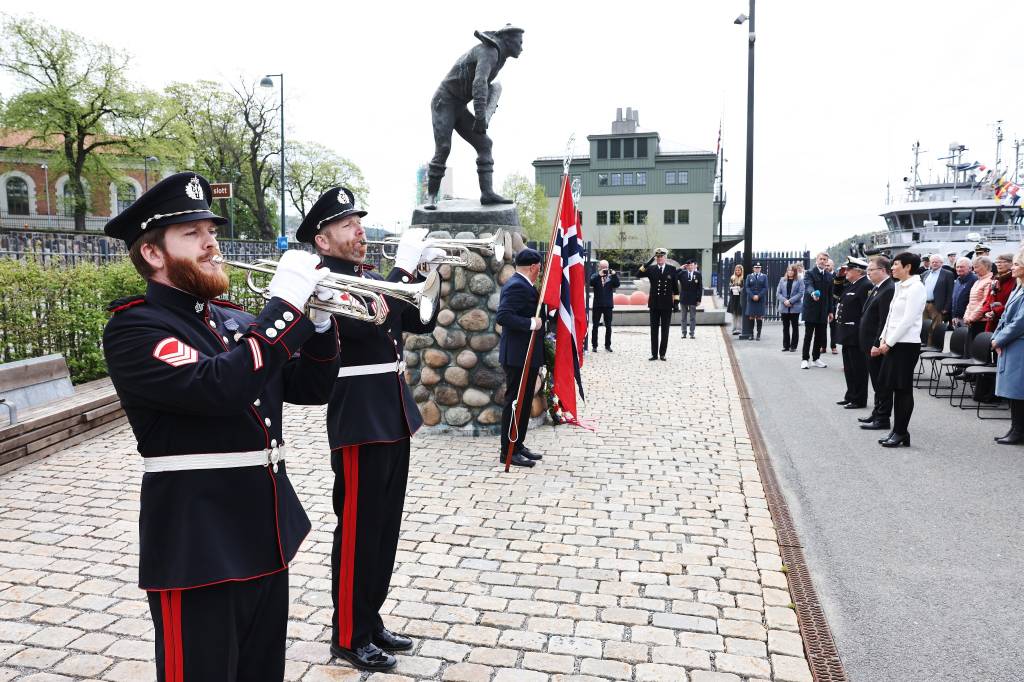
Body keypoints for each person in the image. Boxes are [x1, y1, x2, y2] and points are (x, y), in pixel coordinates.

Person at [102, 173, 341, 681]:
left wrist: (318, 323)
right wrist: (282, 309)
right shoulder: (135, 327)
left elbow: (310, 388)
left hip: (265, 530)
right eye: (192, 233)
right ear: (153, 254)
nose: (212, 243)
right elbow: (221, 386)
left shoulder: (229, 320)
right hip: (197, 542)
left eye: (210, 230)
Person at [295, 187, 439, 672]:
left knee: (384, 529)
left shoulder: (366, 278)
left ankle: (370, 618)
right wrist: (401, 272)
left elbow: (416, 320)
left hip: (392, 412)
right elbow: (369, 322)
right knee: (357, 532)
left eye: (360, 221)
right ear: (323, 239)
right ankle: (347, 635)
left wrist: (423, 273)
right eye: (348, 224)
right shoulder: (325, 282)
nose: (359, 231)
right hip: (358, 417)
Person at [426, 25, 523, 208]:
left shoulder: (499, 56)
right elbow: (479, 83)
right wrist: (480, 116)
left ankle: (487, 193)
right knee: (444, 148)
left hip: (459, 105)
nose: (522, 47)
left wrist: (484, 115)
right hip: (444, 102)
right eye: (520, 42)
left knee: (485, 144)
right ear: (509, 40)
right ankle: (431, 197)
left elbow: (489, 86)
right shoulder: (490, 52)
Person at [497, 247, 546, 466]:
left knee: (524, 403)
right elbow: (504, 316)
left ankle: (517, 443)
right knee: (515, 402)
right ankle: (507, 451)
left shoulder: (523, 284)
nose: (540, 271)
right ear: (534, 267)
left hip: (525, 354)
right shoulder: (517, 285)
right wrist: (530, 323)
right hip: (518, 356)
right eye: (540, 267)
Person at [874, 251, 927, 448]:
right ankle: (897, 431)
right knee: (895, 387)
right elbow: (891, 317)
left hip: (906, 344)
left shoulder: (916, 287)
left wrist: (890, 342)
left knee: (903, 389)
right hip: (894, 342)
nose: (893, 268)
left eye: (896, 264)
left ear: (908, 267)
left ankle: (901, 432)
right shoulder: (900, 286)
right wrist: (883, 338)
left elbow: (908, 320)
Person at [858, 256, 896, 431]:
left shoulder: (888, 289)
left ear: (882, 270)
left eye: (871, 270)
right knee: (876, 381)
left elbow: (883, 321)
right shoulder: (878, 287)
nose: (868, 273)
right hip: (867, 343)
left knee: (881, 383)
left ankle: (882, 418)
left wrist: (876, 343)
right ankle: (877, 412)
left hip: (876, 345)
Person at [991, 250, 1024, 445]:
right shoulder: (1018, 288)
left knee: (1018, 389)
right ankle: (1015, 428)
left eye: (1017, 265)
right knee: (1013, 390)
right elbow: (1004, 317)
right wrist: (996, 337)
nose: (1013, 267)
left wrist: (999, 339)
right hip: (1011, 344)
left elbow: (1020, 322)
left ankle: (1018, 430)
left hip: (1019, 345)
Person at [834, 258, 872, 409]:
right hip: (847, 334)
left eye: (849, 270)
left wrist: (863, 333)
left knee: (859, 369)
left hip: (856, 334)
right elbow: (836, 295)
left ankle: (859, 399)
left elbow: (866, 312)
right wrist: (839, 278)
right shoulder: (853, 284)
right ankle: (850, 395)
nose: (846, 272)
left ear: (858, 271)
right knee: (849, 368)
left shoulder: (866, 286)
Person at [637, 247, 678, 359]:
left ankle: (662, 354)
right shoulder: (651, 269)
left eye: (661, 256)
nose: (660, 258)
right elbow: (638, 274)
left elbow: (675, 288)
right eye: (658, 257)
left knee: (665, 330)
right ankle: (654, 354)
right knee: (654, 330)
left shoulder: (672, 269)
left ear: (665, 257)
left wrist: (676, 303)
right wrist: (649, 262)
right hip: (654, 304)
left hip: (666, 305)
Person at [801, 252, 834, 369]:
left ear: (827, 262)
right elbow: (808, 286)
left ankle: (816, 358)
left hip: (823, 311)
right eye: (821, 259)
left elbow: (830, 295)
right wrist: (813, 293)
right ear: (816, 260)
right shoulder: (809, 273)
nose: (822, 261)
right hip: (811, 309)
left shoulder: (829, 276)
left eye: (825, 259)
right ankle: (805, 359)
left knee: (819, 336)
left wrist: (831, 311)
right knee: (808, 335)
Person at [920, 254, 955, 347]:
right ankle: (926, 346)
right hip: (924, 305)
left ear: (941, 263)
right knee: (925, 328)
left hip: (937, 305)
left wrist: (946, 307)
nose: (934, 264)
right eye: (932, 262)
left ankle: (935, 347)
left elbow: (950, 292)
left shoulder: (948, 274)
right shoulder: (925, 274)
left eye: (936, 262)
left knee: (935, 329)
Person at [589, 260, 619, 352]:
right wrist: (599, 275)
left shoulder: (611, 276)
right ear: (599, 267)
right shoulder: (595, 275)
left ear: (608, 267)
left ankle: (607, 345)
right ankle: (594, 346)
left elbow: (617, 284)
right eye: (602, 267)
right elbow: (590, 283)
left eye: (606, 267)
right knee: (595, 326)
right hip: (597, 305)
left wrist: (614, 274)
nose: (604, 269)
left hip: (608, 305)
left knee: (608, 326)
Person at [982, 253, 1016, 332]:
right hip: (992, 321)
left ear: (1012, 263)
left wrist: (995, 312)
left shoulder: (1015, 280)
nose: (999, 264)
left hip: (1006, 321)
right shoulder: (995, 279)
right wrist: (986, 311)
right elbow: (988, 299)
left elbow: (1013, 303)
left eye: (1003, 262)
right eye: (997, 262)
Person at [964, 255, 994, 337]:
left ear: (986, 266)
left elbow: (984, 302)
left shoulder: (989, 282)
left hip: (981, 322)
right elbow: (971, 302)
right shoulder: (977, 281)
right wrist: (967, 316)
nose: (974, 270)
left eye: (977, 267)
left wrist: (971, 318)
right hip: (973, 320)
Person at [776, 264, 804, 351]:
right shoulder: (782, 280)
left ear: (795, 271)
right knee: (785, 327)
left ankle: (793, 346)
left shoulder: (799, 280)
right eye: (789, 270)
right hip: (784, 307)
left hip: (795, 307)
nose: (790, 272)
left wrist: (790, 301)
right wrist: (785, 301)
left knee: (795, 327)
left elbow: (800, 293)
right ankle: (786, 346)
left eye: (792, 270)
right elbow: (778, 293)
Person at [676, 259, 703, 339]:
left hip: (693, 298)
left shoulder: (697, 274)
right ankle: (684, 333)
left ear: (694, 266)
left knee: (692, 317)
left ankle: (692, 333)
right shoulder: (682, 273)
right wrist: (680, 268)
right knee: (683, 317)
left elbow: (700, 287)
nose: (690, 267)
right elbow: (674, 275)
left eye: (692, 265)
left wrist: (699, 299)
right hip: (683, 298)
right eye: (689, 265)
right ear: (686, 266)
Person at [950, 256, 978, 328]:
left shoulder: (975, 280)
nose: (959, 269)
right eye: (957, 267)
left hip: (968, 319)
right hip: (957, 319)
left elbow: (975, 301)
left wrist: (969, 317)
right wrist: (954, 316)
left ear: (970, 268)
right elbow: (954, 300)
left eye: (962, 267)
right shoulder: (958, 280)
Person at [743, 262, 768, 340]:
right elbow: (747, 287)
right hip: (751, 299)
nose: (757, 269)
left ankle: (758, 334)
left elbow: (765, 287)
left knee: (759, 317)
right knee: (751, 317)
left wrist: (758, 296)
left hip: (760, 299)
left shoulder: (764, 276)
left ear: (760, 268)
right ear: (753, 268)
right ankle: (751, 334)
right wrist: (752, 295)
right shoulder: (749, 276)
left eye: (759, 267)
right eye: (756, 267)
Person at [825, 259, 841, 354]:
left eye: (828, 265)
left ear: (833, 266)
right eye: (826, 265)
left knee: (833, 327)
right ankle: (823, 346)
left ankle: (833, 346)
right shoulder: (822, 275)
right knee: (822, 327)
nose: (827, 267)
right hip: (823, 304)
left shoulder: (838, 277)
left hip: (834, 304)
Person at [727, 264, 744, 334]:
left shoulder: (743, 278)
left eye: (739, 270)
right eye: (736, 270)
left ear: (741, 271)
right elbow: (730, 286)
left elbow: (744, 288)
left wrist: (740, 289)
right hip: (733, 298)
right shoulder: (732, 278)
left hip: (740, 298)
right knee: (734, 314)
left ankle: (739, 328)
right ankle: (734, 328)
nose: (737, 271)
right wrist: (731, 287)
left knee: (739, 314)